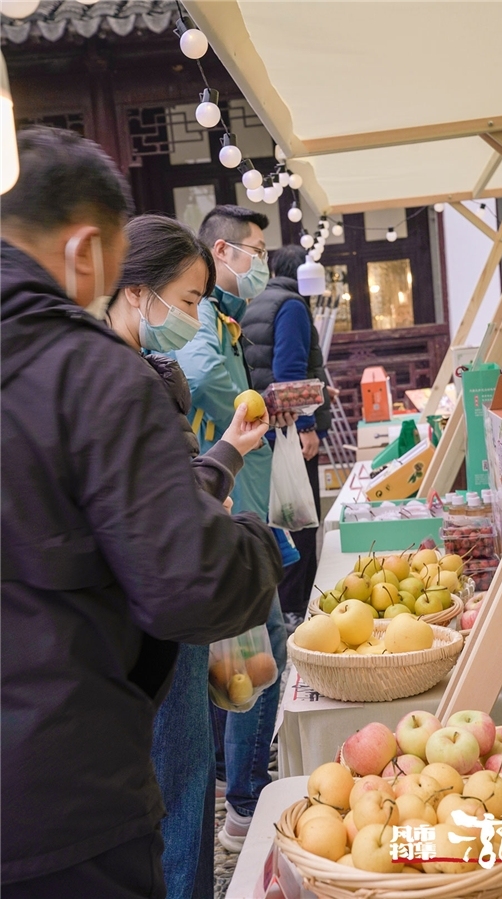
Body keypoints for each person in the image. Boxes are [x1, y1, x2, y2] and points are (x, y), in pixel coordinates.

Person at [1, 128, 282, 898]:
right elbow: (189, 582)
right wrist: (254, 546)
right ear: (88, 247)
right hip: (67, 793)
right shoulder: (92, 371)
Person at [106, 213, 268, 899]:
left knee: (180, 793)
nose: (196, 316)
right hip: (160, 631)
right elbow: (162, 523)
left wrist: (225, 451)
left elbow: (162, 500)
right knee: (177, 801)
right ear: (138, 291)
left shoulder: (126, 373)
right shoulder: (125, 383)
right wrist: (244, 542)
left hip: (149, 635)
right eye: (192, 299)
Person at [173, 205, 288, 853]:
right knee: (257, 648)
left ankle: (237, 789)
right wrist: (255, 411)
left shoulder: (220, 316)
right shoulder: (195, 322)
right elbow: (207, 378)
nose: (262, 263)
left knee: (242, 658)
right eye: (255, 250)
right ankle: (243, 798)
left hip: (233, 500)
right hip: (219, 508)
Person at [243, 243, 332, 634]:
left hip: (266, 427)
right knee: (298, 519)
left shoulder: (256, 301)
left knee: (278, 516)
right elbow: (290, 370)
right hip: (290, 429)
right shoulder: (292, 306)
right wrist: (308, 428)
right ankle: (295, 609)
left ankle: (284, 606)